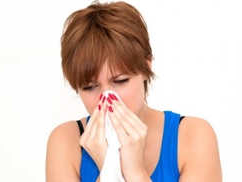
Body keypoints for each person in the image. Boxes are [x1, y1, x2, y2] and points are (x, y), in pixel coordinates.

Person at [46, 0, 222, 181]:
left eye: (121, 81)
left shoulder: (193, 136)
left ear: (146, 68)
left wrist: (134, 171)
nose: (107, 100)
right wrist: (108, 166)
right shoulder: (65, 142)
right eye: (90, 87)